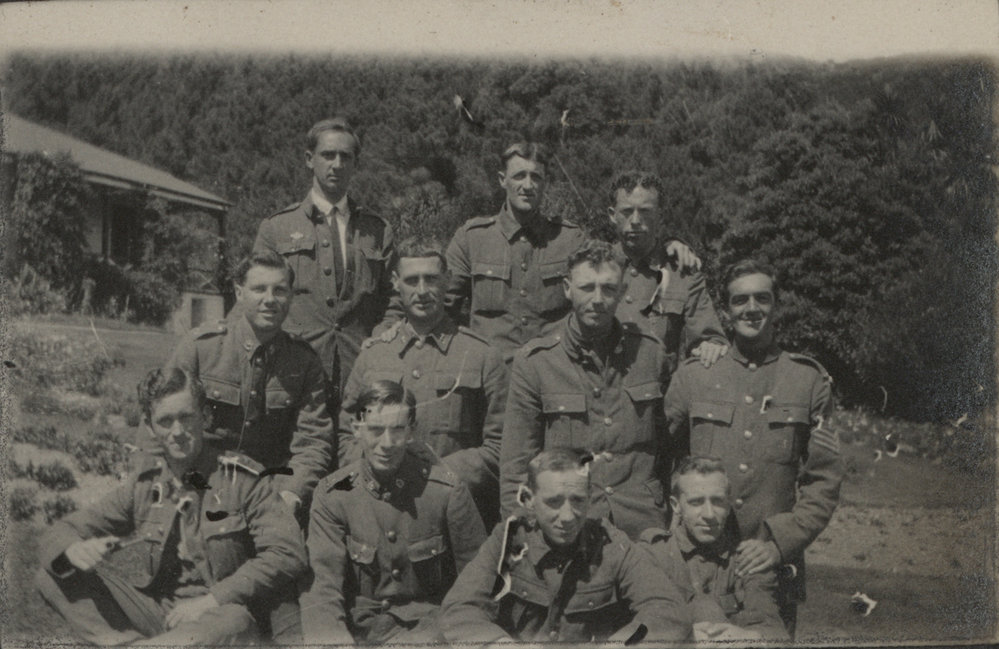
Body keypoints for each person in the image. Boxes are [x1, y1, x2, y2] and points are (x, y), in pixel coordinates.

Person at [35, 368, 307, 646]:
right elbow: (64, 529)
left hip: (223, 615)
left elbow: (287, 552)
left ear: (205, 416)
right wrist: (73, 549)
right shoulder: (145, 485)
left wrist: (212, 599)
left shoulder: (243, 479)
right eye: (165, 421)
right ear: (150, 427)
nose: (177, 432)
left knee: (232, 621)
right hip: (162, 616)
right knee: (55, 572)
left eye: (186, 417)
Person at [663, 259, 844, 636]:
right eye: (740, 300)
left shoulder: (807, 381)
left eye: (762, 298)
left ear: (777, 305)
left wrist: (781, 544)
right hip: (697, 564)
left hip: (770, 564)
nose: (751, 309)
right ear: (726, 312)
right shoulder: (695, 376)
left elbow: (823, 482)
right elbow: (659, 458)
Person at [444, 141, 702, 363]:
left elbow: (616, 261)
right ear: (503, 180)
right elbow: (441, 307)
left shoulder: (570, 239)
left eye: (536, 177)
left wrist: (668, 245)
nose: (528, 185)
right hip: (492, 382)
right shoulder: (471, 238)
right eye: (519, 176)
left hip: (555, 378)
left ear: (546, 183)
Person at [499, 239, 672, 540]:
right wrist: (525, 535)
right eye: (586, 287)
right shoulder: (536, 363)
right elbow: (516, 467)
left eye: (608, 288)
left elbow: (672, 449)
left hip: (644, 525)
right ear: (567, 288)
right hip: (570, 527)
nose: (597, 299)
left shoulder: (650, 354)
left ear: (623, 292)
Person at [440, 448, 691, 645]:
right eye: (554, 502)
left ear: (590, 499)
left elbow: (667, 611)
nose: (568, 516)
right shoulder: (507, 539)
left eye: (578, 501)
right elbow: (460, 610)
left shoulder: (611, 543)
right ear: (529, 500)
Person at [301, 380, 487, 645]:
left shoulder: (446, 491)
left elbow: (477, 581)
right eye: (375, 430)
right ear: (357, 430)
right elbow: (323, 588)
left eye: (397, 430)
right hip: (363, 633)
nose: (386, 443)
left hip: (432, 632)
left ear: (411, 431)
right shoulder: (334, 496)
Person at [339, 236, 507, 527]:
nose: (421, 291)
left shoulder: (482, 355)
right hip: (382, 514)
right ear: (395, 283)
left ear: (448, 281)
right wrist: (377, 471)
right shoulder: (374, 356)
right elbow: (346, 434)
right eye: (412, 280)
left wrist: (438, 474)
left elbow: (501, 444)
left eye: (431, 279)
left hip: (456, 515)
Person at [167, 251, 333, 514]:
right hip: (201, 485)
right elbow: (162, 423)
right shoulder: (200, 349)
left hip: (270, 494)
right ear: (239, 293)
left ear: (290, 296)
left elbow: (312, 441)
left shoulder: (304, 361)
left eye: (279, 290)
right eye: (259, 289)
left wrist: (291, 493)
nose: (270, 300)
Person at [253, 116, 395, 411]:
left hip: (359, 374)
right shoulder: (276, 228)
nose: (337, 164)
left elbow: (394, 297)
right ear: (309, 159)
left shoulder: (378, 230)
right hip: (293, 378)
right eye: (328, 155)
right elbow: (255, 298)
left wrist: (381, 337)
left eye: (346, 157)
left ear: (355, 164)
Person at [641, 456, 788, 643]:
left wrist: (750, 637)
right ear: (676, 506)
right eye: (696, 502)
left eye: (718, 501)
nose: (709, 514)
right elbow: (636, 627)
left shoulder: (746, 559)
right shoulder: (654, 555)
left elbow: (775, 631)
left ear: (728, 505)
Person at [606, 170, 728, 369]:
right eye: (627, 211)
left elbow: (712, 339)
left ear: (660, 215)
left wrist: (709, 347)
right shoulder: (595, 267)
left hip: (659, 396)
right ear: (612, 215)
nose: (635, 220)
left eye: (645, 211)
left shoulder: (682, 272)